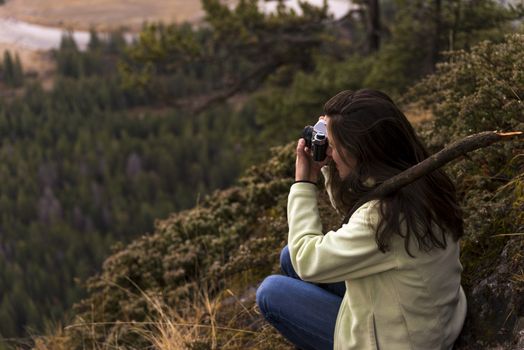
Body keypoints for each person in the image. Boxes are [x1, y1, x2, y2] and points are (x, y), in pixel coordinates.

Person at [256, 89, 467, 350]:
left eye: (333, 146)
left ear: (360, 150)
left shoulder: (383, 216)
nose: (329, 152)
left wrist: (303, 183)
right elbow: (353, 210)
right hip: (424, 317)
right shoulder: (419, 180)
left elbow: (307, 262)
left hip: (403, 342)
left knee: (271, 292)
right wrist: (326, 167)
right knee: (288, 256)